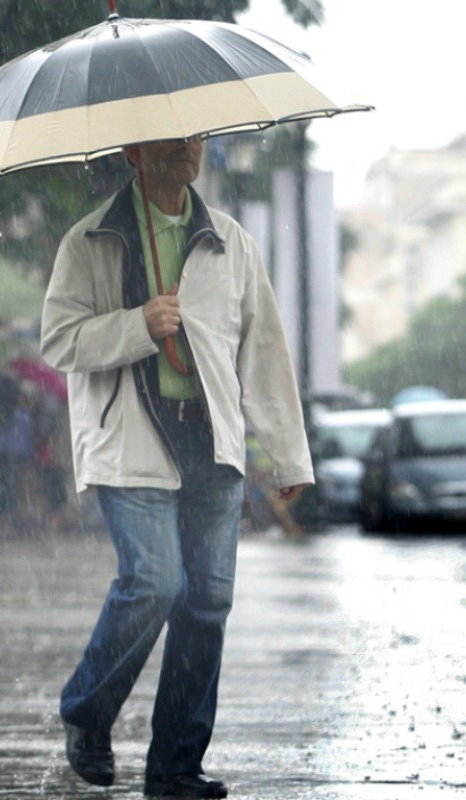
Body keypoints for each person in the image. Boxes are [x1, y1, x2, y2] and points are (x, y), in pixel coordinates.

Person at [39, 135, 313, 799]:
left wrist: (286, 451)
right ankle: (87, 710)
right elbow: (59, 340)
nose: (186, 148)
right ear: (135, 150)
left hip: (211, 444)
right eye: (169, 138)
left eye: (195, 136)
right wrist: (138, 324)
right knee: (156, 581)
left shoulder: (229, 243)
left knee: (207, 603)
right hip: (131, 442)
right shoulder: (90, 241)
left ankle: (175, 770)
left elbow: (264, 350)